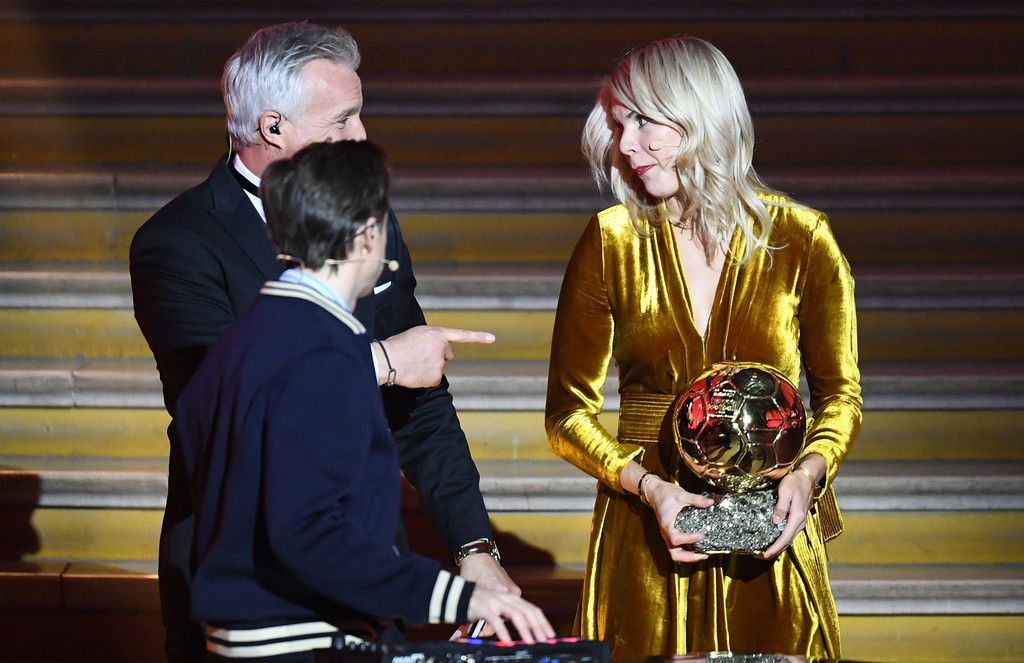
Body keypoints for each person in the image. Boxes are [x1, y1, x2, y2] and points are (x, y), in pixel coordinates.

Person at [130, 22, 517, 662]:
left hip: (366, 588)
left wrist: (474, 548)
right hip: (249, 595)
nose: (360, 136)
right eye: (341, 120)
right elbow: (222, 402)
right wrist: (384, 361)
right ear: (273, 128)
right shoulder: (178, 242)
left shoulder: (367, 220)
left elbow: (421, 405)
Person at [545, 37, 861, 662]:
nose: (626, 145)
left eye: (644, 121)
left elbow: (841, 398)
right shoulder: (610, 240)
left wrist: (808, 474)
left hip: (770, 533)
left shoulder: (804, 239)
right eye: (618, 125)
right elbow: (567, 417)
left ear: (701, 114)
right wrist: (650, 489)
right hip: (648, 532)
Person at [175, 140, 553, 661]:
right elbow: (312, 533)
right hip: (299, 640)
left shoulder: (251, 335)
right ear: (370, 235)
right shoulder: (321, 351)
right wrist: (461, 598)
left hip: (246, 636)